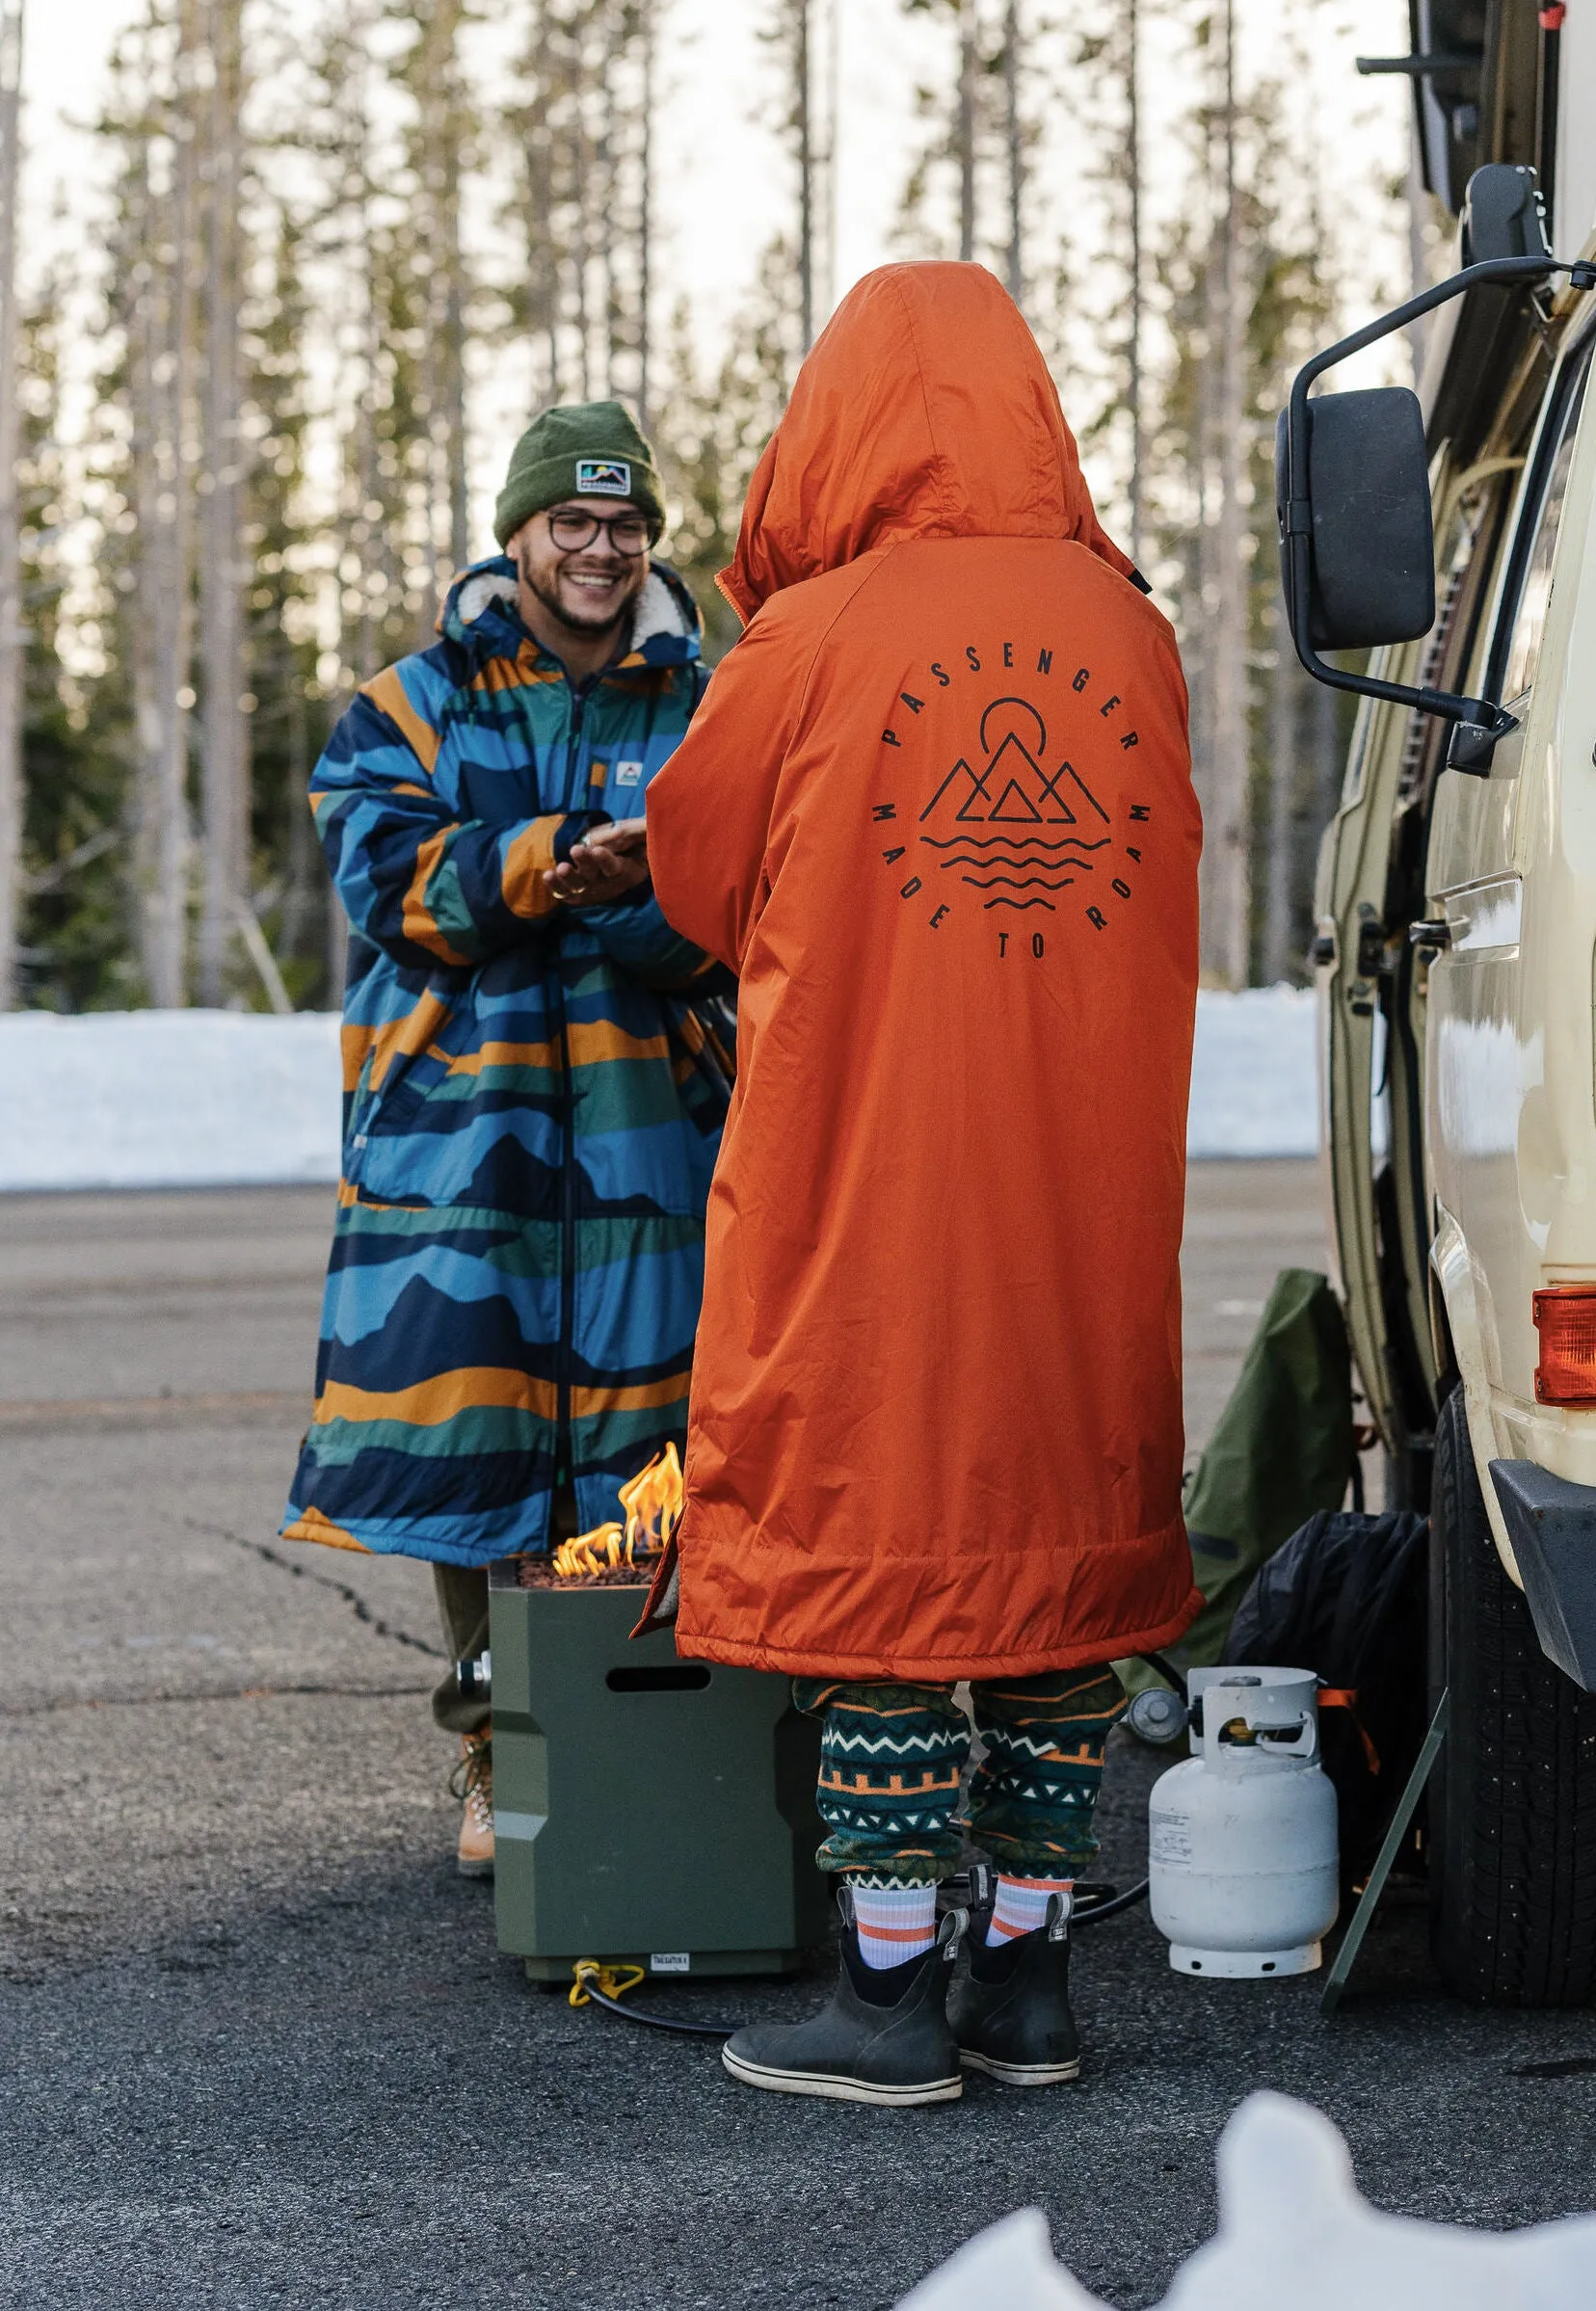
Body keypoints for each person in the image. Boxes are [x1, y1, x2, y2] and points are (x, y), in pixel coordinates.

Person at [609, 261, 1203, 2104]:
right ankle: (1022, 1975)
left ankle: (882, 2000)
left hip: (866, 1182)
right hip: (1082, 1193)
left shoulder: (809, 640)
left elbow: (697, 880)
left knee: (890, 1566)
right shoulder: (1130, 633)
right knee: (1045, 1569)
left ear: (843, 417)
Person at [282, 403, 732, 1878]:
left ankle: (643, 1736)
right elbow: (393, 883)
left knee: (643, 1446)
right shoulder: (410, 704)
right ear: (519, 534)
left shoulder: (701, 708)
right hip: (458, 1153)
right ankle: (495, 1748)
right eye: (573, 524)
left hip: (648, 1150)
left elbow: (737, 911)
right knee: (476, 1457)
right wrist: (555, 860)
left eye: (626, 527)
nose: (601, 551)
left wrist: (636, 894)